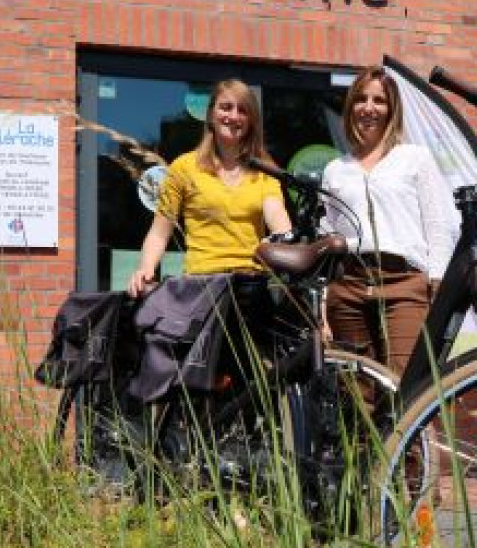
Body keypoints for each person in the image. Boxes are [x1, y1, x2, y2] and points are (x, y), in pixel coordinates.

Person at [127, 79, 291, 387]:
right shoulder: (185, 168)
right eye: (226, 107)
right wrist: (146, 269)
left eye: (243, 110)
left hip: (250, 288)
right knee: (201, 381)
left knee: (258, 381)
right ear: (211, 115)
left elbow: (278, 219)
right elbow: (159, 233)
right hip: (203, 289)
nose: (233, 116)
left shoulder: (264, 171)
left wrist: (284, 238)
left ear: (251, 119)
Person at [322, 68, 457, 375]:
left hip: (404, 282)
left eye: (379, 101)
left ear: (391, 109)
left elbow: (438, 224)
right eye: (361, 99)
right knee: (357, 391)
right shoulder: (335, 169)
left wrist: (436, 282)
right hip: (350, 285)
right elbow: (329, 235)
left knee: (407, 383)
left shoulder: (415, 158)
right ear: (351, 107)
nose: (369, 108)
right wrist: (324, 305)